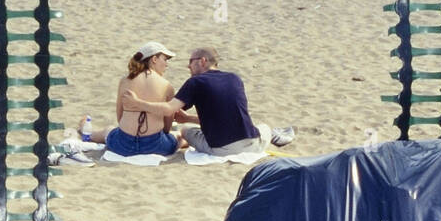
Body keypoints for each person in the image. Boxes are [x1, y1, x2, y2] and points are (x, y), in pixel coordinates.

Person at [121, 47, 294, 158]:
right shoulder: (235, 78)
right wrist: (188, 117)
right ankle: (276, 135)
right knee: (264, 126)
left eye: (191, 62)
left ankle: (276, 134)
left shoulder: (195, 82)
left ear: (202, 61)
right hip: (253, 143)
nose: (188, 67)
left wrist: (137, 103)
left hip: (221, 149)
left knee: (185, 131)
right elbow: (225, 115)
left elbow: (168, 110)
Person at [90, 41, 186, 157]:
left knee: (109, 130)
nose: (166, 64)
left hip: (123, 145)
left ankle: (86, 134)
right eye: (165, 59)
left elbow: (120, 118)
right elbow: (166, 127)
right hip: (154, 146)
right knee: (179, 136)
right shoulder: (166, 85)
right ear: (154, 59)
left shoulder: (125, 80)